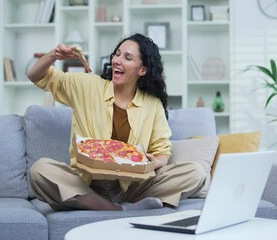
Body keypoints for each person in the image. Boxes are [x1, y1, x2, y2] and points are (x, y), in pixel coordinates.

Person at [27, 33, 206, 211]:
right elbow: (35, 76)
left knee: (195, 173)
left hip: (133, 187)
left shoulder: (152, 104)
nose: (117, 61)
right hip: (87, 185)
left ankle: (116, 204)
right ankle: (118, 209)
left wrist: (157, 162)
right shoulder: (87, 85)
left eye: (127, 57)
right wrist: (54, 55)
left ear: (142, 70)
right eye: (117, 54)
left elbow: (162, 150)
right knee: (40, 170)